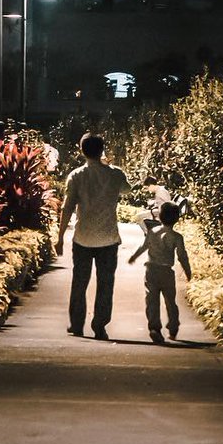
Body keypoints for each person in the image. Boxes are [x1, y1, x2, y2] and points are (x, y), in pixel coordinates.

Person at [55, 132, 131, 340]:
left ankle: (76, 324)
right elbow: (127, 190)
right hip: (108, 238)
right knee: (106, 283)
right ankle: (99, 325)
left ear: (82, 151)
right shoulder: (115, 174)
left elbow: (67, 207)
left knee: (80, 282)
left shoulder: (76, 176)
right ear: (102, 150)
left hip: (83, 238)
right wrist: (109, 165)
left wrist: (60, 237)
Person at [128, 201, 192, 344]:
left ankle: (154, 328)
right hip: (167, 272)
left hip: (151, 270)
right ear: (177, 219)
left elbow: (143, 246)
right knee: (170, 301)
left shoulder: (152, 232)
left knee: (152, 300)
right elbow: (182, 256)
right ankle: (173, 327)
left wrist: (134, 256)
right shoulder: (177, 237)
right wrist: (188, 272)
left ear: (160, 217)